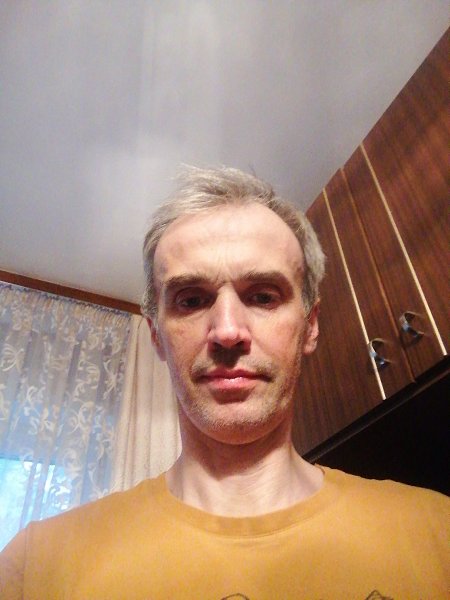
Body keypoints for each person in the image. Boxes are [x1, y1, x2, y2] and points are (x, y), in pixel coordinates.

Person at [0, 167, 448, 599]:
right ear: (156, 335)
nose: (228, 331)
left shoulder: (437, 535)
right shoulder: (36, 566)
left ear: (310, 326)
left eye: (263, 296)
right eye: (191, 300)